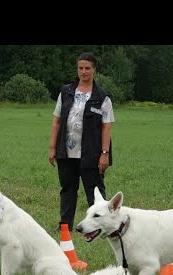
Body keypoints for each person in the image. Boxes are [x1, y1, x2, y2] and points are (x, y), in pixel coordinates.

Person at [48, 52, 115, 232]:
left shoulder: (102, 96)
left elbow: (106, 127)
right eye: (80, 68)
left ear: (94, 70)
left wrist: (104, 154)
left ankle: (103, 226)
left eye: (87, 68)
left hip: (91, 154)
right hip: (66, 152)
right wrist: (53, 148)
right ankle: (65, 226)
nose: (83, 72)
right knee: (67, 188)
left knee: (95, 192)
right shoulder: (66, 92)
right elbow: (56, 121)